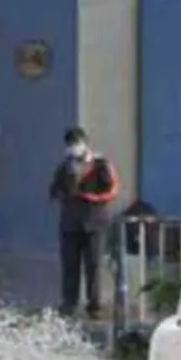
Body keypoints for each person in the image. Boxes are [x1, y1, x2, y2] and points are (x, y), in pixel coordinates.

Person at [48, 126, 119, 318]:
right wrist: (65, 190)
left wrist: (93, 198)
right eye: (70, 144)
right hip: (70, 224)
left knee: (94, 264)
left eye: (76, 143)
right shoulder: (64, 167)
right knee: (70, 265)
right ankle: (68, 304)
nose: (73, 147)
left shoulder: (100, 164)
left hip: (94, 223)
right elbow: (54, 191)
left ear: (85, 143)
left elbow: (113, 189)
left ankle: (95, 305)